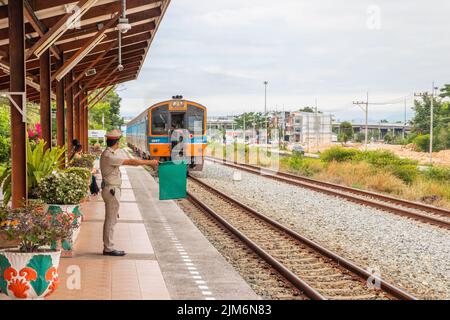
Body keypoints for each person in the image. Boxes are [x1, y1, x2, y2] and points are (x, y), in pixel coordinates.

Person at [100, 129, 158, 256]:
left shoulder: (109, 153)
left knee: (112, 218)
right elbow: (132, 162)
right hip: (111, 190)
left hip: (111, 190)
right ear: (117, 143)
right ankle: (108, 248)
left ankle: (108, 246)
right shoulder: (110, 155)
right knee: (111, 220)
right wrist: (150, 162)